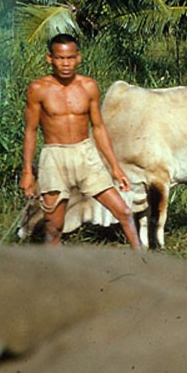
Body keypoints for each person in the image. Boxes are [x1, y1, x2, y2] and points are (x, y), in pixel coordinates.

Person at [20, 33, 142, 250]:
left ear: (78, 58)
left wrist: (115, 168)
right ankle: (50, 273)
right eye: (59, 58)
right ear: (50, 58)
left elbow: (99, 128)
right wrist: (27, 172)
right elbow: (30, 130)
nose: (65, 64)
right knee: (54, 227)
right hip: (54, 156)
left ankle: (142, 260)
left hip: (85, 153)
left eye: (69, 58)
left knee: (124, 211)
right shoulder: (38, 89)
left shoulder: (88, 87)